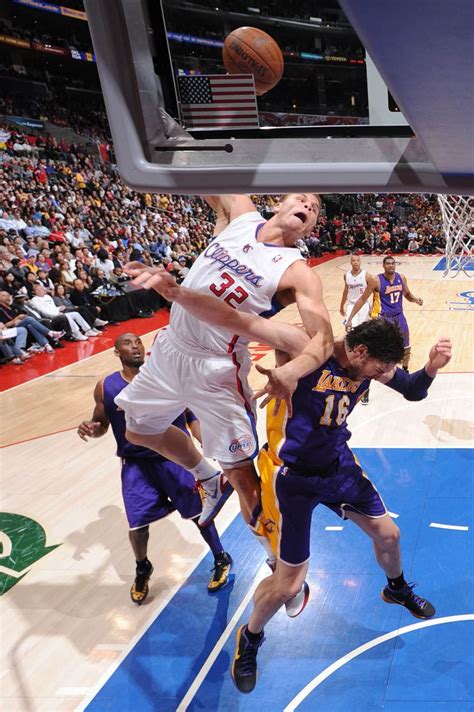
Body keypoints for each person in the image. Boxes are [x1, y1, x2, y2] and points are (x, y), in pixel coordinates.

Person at [133, 277, 451, 694]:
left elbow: (411, 390)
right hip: (293, 478)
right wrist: (178, 295)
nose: (381, 375)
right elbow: (238, 319)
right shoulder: (306, 350)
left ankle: (395, 588)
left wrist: (429, 368)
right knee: (288, 585)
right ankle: (250, 637)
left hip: (338, 466)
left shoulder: (373, 361)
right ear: (358, 351)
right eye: (378, 367)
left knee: (389, 535)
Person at [117, 193, 333, 613]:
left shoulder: (298, 272)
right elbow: (203, 175)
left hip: (216, 369)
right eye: (300, 196)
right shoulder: (241, 213)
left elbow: (322, 340)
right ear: (279, 203)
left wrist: (293, 368)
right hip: (170, 348)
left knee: (244, 480)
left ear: (309, 228)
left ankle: (280, 568)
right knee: (138, 430)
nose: (307, 202)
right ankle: (205, 477)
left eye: (316, 207)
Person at [77, 333, 233, 603]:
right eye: (126, 342)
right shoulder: (106, 386)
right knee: (137, 524)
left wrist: (208, 445)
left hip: (174, 459)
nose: (135, 345)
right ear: (116, 351)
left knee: (199, 512)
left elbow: (191, 417)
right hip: (136, 464)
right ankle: (143, 567)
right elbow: (101, 425)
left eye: (138, 341)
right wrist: (92, 429)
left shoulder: (165, 376)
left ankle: (220, 557)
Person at [346, 255, 423, 370]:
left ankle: (405, 370)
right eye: (388, 263)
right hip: (384, 318)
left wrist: (415, 299)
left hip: (399, 316)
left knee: (406, 345)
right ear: (383, 266)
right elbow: (362, 299)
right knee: (384, 348)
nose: (391, 265)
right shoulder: (376, 280)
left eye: (392, 263)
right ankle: (382, 370)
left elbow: (407, 294)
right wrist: (350, 318)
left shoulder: (401, 278)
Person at [339, 254, 372, 404]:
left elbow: (374, 292)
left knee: (361, 340)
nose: (355, 262)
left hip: (363, 307)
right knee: (351, 339)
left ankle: (364, 385)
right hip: (351, 306)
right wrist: (341, 304)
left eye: (358, 260)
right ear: (350, 262)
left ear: (360, 262)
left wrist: (373, 307)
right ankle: (350, 370)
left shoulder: (367, 275)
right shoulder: (346, 275)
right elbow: (346, 291)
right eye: (353, 260)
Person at [29, 283, 99, 341]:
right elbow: (42, 311)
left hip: (57, 313)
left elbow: (53, 307)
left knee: (75, 314)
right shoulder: (35, 300)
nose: (40, 290)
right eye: (37, 290)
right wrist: (56, 313)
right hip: (51, 317)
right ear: (34, 292)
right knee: (66, 316)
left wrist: (58, 308)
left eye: (41, 289)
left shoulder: (48, 297)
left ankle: (87, 330)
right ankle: (76, 333)